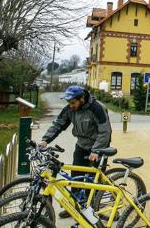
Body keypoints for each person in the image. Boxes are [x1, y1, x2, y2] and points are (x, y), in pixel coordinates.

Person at [38, 85, 112, 217]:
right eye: (69, 103)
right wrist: (45, 140)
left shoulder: (97, 108)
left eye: (73, 102)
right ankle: (74, 206)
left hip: (98, 147)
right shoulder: (70, 109)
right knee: (76, 177)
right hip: (81, 146)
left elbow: (105, 131)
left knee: (93, 181)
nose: (70, 105)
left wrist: (96, 151)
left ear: (82, 98)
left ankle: (94, 210)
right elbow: (58, 124)